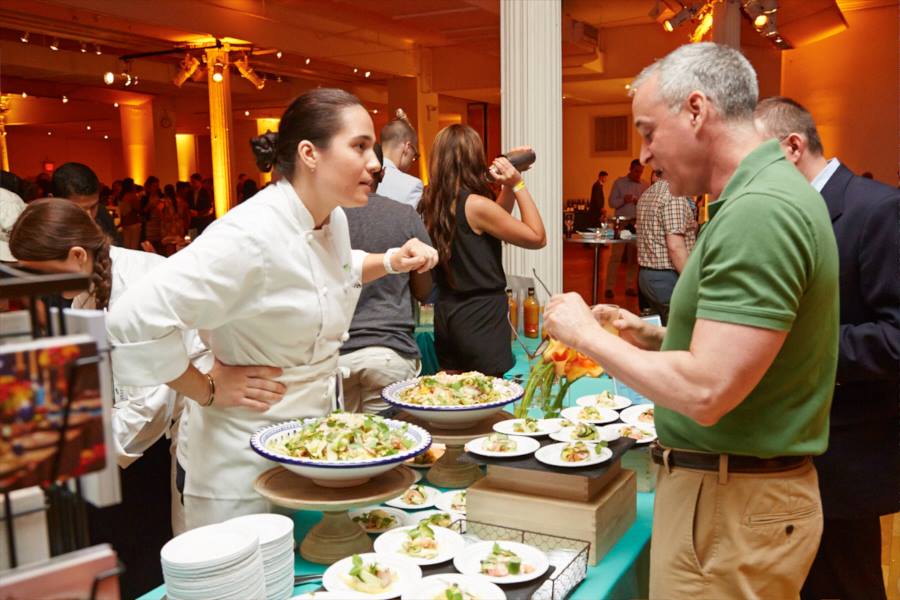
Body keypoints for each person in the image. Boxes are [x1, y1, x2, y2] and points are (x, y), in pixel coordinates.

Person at [544, 42, 839, 598]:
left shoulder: (760, 210)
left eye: (649, 131)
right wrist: (654, 334)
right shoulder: (764, 193)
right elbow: (748, 350)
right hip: (731, 496)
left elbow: (707, 390)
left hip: (731, 502)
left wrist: (583, 334)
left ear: (697, 111)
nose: (645, 152)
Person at [105, 88, 438, 529]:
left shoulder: (332, 217)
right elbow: (132, 320)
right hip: (239, 463)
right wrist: (205, 387)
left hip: (307, 449)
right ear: (309, 154)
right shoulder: (249, 235)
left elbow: (331, 271)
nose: (375, 163)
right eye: (359, 147)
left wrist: (392, 260)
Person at [8, 198, 210, 595]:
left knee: (191, 552)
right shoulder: (89, 286)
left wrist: (71, 452)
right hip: (154, 424)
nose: (41, 288)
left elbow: (149, 406)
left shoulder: (136, 291)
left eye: (40, 274)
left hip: (197, 417)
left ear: (77, 255)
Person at [755, 96, 900, 600]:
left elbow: (896, 337)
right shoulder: (787, 213)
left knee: (846, 582)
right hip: (793, 445)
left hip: (846, 447)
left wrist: (798, 348)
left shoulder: (877, 209)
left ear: (792, 148)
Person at [419, 124, 546, 377]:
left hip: (448, 315)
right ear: (473, 158)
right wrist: (518, 184)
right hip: (481, 317)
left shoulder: (431, 201)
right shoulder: (475, 205)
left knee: (455, 392)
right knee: (490, 393)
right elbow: (537, 237)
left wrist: (506, 185)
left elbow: (494, 222)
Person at [340, 143, 433, 413]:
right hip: (390, 352)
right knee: (386, 438)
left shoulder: (327, 217)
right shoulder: (404, 215)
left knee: (340, 437)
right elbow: (423, 290)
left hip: (337, 357)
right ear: (382, 173)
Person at [635, 171, 697, 324]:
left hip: (646, 276)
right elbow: (675, 246)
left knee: (659, 330)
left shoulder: (649, 193)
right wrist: (693, 282)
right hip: (667, 278)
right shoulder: (673, 196)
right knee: (679, 330)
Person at [604, 159, 646, 298]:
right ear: (630, 169)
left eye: (641, 172)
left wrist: (638, 202)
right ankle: (609, 287)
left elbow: (647, 205)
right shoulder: (619, 183)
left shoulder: (645, 185)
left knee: (633, 258)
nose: (638, 174)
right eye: (636, 171)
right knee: (616, 256)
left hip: (636, 223)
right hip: (621, 224)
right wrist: (624, 200)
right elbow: (611, 202)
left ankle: (629, 286)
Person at [52, 162, 122, 245]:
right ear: (55, 202)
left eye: (93, 207)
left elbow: (116, 247)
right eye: (79, 209)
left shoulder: (102, 215)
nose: (89, 217)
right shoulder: (45, 229)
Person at [376, 109, 424, 208]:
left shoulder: (364, 175)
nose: (412, 160)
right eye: (414, 155)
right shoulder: (412, 186)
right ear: (407, 147)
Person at [118, 178, 142, 249]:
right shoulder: (132, 196)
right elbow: (138, 208)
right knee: (133, 246)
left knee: (126, 245)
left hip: (125, 223)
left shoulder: (121, 196)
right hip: (133, 222)